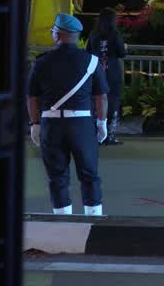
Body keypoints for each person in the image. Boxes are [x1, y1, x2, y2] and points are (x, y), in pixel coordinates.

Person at [27, 13, 109, 216]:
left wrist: (35, 123)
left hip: (51, 125)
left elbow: (32, 97)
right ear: (76, 36)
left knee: (57, 175)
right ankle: (93, 217)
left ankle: (62, 220)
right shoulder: (91, 61)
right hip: (81, 125)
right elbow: (101, 97)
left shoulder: (42, 62)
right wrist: (102, 123)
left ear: (57, 35)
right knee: (89, 173)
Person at [85, 8, 126, 146]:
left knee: (96, 100)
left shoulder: (93, 34)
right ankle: (109, 135)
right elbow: (121, 52)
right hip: (112, 71)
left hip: (96, 70)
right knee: (113, 101)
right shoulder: (115, 34)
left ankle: (95, 134)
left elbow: (88, 51)